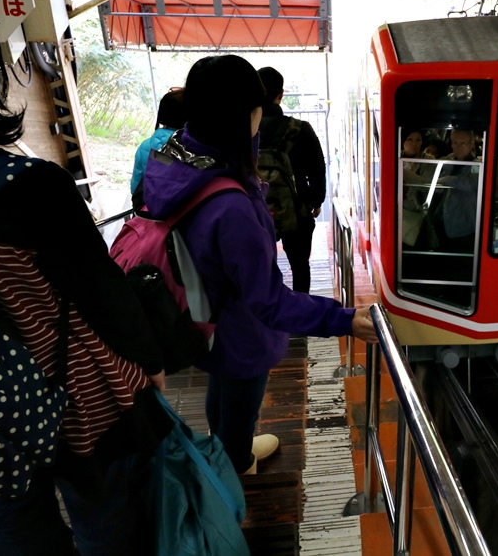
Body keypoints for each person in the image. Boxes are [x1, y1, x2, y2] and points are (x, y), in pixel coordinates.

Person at [143, 55, 375, 476]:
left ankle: (232, 447)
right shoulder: (229, 204)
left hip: (200, 317)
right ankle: (235, 475)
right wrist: (344, 319)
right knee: (239, 407)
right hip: (237, 328)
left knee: (222, 393)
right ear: (247, 113)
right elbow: (267, 301)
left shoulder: (173, 160)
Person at [0, 92, 171, 554]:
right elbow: (101, 290)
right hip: (73, 388)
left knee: (18, 529)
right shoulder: (28, 186)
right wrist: (149, 358)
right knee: (105, 509)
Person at [257, 66, 326, 294]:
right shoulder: (300, 129)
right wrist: (315, 201)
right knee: (299, 265)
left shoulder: (241, 130)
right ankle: (300, 317)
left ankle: (265, 315)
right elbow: (317, 168)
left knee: (258, 265)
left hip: (252, 209)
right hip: (295, 209)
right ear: (281, 94)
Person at [131, 87, 186, 210]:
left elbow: (135, 186)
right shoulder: (189, 149)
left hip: (146, 210)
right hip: (175, 215)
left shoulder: (145, 146)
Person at [435, 128, 480, 252]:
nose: (458, 147)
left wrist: (446, 179)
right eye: (455, 143)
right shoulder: (448, 159)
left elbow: (470, 184)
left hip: (464, 224)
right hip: (443, 219)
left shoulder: (477, 164)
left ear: (471, 144)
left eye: (462, 143)